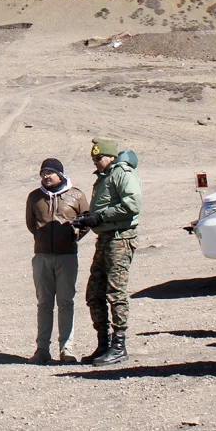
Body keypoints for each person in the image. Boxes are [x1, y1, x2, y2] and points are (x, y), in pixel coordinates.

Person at [75, 138, 142, 366]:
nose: (96, 162)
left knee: (116, 293)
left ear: (111, 157)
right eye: (94, 158)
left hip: (120, 239)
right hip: (104, 239)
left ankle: (119, 345)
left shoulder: (123, 174)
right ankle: (103, 344)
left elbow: (132, 205)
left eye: (99, 157)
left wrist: (101, 216)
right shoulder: (104, 179)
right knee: (94, 294)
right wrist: (88, 219)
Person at [25, 158, 90, 364]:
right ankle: (42, 349)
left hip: (67, 257)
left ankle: (66, 349)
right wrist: (42, 239)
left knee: (66, 302)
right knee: (44, 303)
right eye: (43, 172)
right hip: (42, 256)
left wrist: (73, 237)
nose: (45, 176)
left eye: (50, 172)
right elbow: (30, 224)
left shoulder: (77, 195)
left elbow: (87, 221)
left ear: (60, 174)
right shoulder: (35, 197)